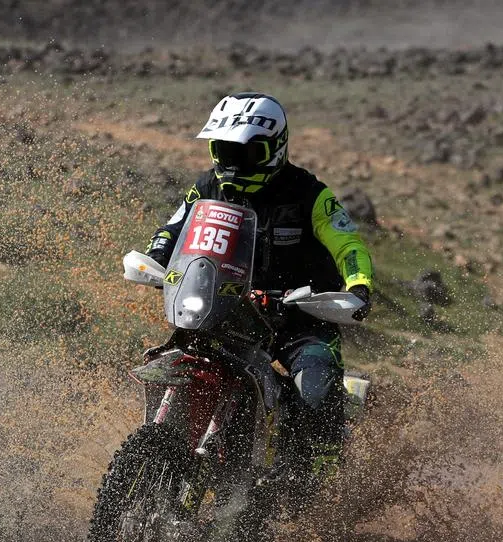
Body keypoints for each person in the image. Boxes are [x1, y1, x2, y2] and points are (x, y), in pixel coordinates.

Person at [144, 92, 374, 497]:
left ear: (275, 148)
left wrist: (358, 286)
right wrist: (155, 257)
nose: (233, 162)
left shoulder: (310, 194)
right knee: (173, 356)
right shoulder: (207, 187)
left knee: (316, 393)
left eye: (247, 152)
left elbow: (348, 246)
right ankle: (166, 453)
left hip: (301, 318)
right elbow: (173, 229)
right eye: (224, 150)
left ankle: (309, 490)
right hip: (229, 310)